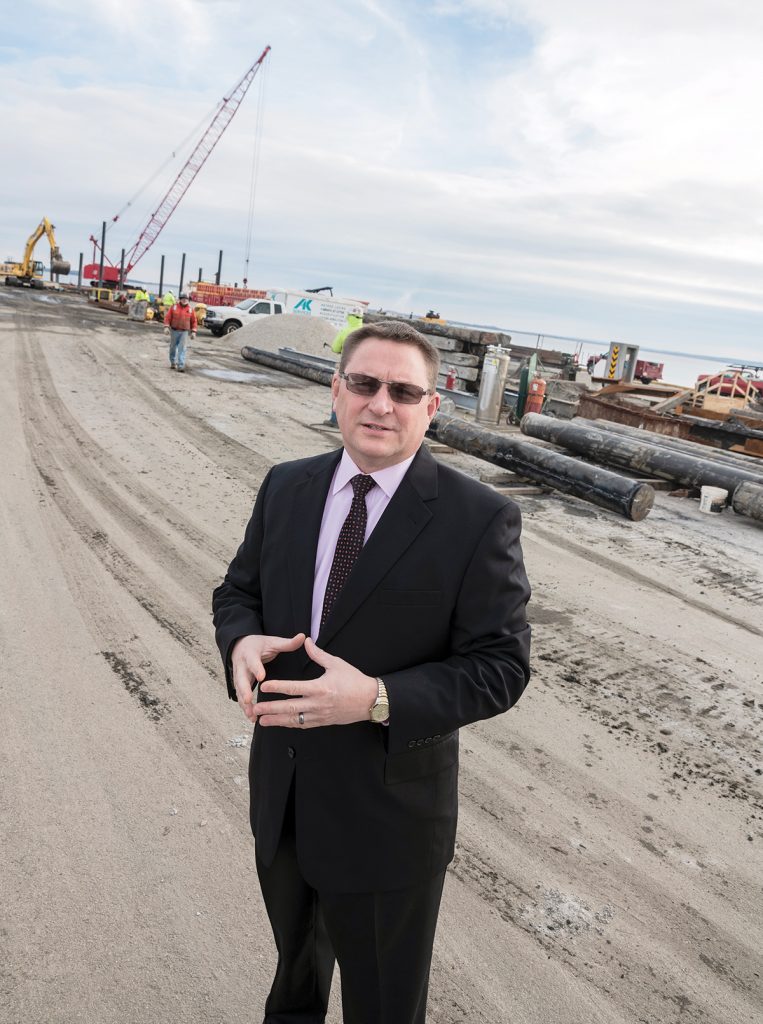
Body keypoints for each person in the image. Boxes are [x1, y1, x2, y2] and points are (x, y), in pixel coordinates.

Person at [212, 319, 531, 1024]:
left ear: (431, 406)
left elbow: (500, 667)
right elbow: (238, 592)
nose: (379, 404)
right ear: (336, 390)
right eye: (363, 383)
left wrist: (377, 698)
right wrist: (237, 641)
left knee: (382, 1005)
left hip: (389, 820)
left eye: (402, 390)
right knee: (293, 985)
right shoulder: (287, 486)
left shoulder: (478, 519)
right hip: (285, 794)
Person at [325, 310, 364, 426]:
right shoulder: (366, 332)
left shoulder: (345, 331)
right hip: (362, 370)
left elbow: (336, 348)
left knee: (339, 391)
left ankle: (334, 420)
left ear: (350, 317)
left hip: (346, 367)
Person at [163, 291, 197, 372]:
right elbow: (167, 317)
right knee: (173, 348)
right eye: (183, 298)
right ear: (180, 299)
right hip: (174, 331)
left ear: (188, 300)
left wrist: (193, 331)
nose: (184, 300)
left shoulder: (191, 310)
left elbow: (194, 321)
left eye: (186, 299)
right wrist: (166, 327)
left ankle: (181, 365)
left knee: (182, 349)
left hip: (184, 332)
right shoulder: (173, 307)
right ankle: (173, 362)